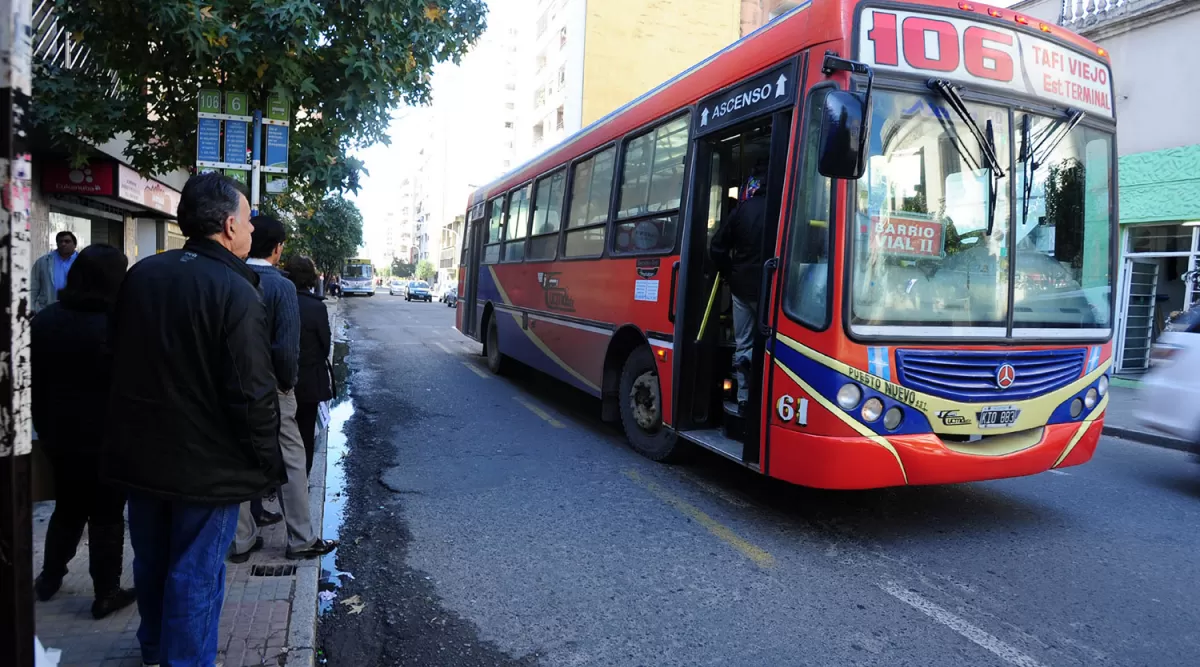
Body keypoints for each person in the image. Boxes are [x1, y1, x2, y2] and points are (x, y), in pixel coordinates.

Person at [103, 172, 284, 667]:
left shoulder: (143, 276)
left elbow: (114, 361)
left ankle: (155, 652)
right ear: (229, 225)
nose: (250, 230)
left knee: (153, 566)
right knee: (195, 578)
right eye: (247, 220)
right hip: (208, 472)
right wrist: (268, 466)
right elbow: (253, 394)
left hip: (141, 461)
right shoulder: (236, 290)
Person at [31, 244, 136, 620]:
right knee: (106, 515)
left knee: (68, 507)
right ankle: (105, 592)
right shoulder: (118, 325)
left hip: (58, 436)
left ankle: (49, 578)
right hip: (107, 439)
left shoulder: (45, 321)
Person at [230, 215, 337, 562]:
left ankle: (241, 539)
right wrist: (287, 384)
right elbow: (286, 349)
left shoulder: (231, 275)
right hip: (273, 387)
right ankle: (301, 538)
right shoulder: (282, 287)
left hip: (230, 385)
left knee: (239, 457)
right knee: (292, 458)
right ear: (278, 249)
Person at [709, 167, 768, 415]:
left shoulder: (742, 210)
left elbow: (717, 246)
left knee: (744, 343)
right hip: (771, 288)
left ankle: (744, 398)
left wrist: (729, 272)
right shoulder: (784, 206)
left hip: (741, 286)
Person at [285, 255, 335, 474]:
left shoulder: (281, 299)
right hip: (309, 379)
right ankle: (302, 477)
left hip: (280, 378)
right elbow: (325, 346)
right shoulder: (316, 307)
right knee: (306, 431)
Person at [31, 230, 79, 314]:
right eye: (60, 241)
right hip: (47, 310)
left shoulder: (83, 262)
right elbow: (33, 287)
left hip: (75, 311)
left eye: (67, 241)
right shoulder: (43, 262)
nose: (63, 244)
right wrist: (32, 309)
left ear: (75, 245)